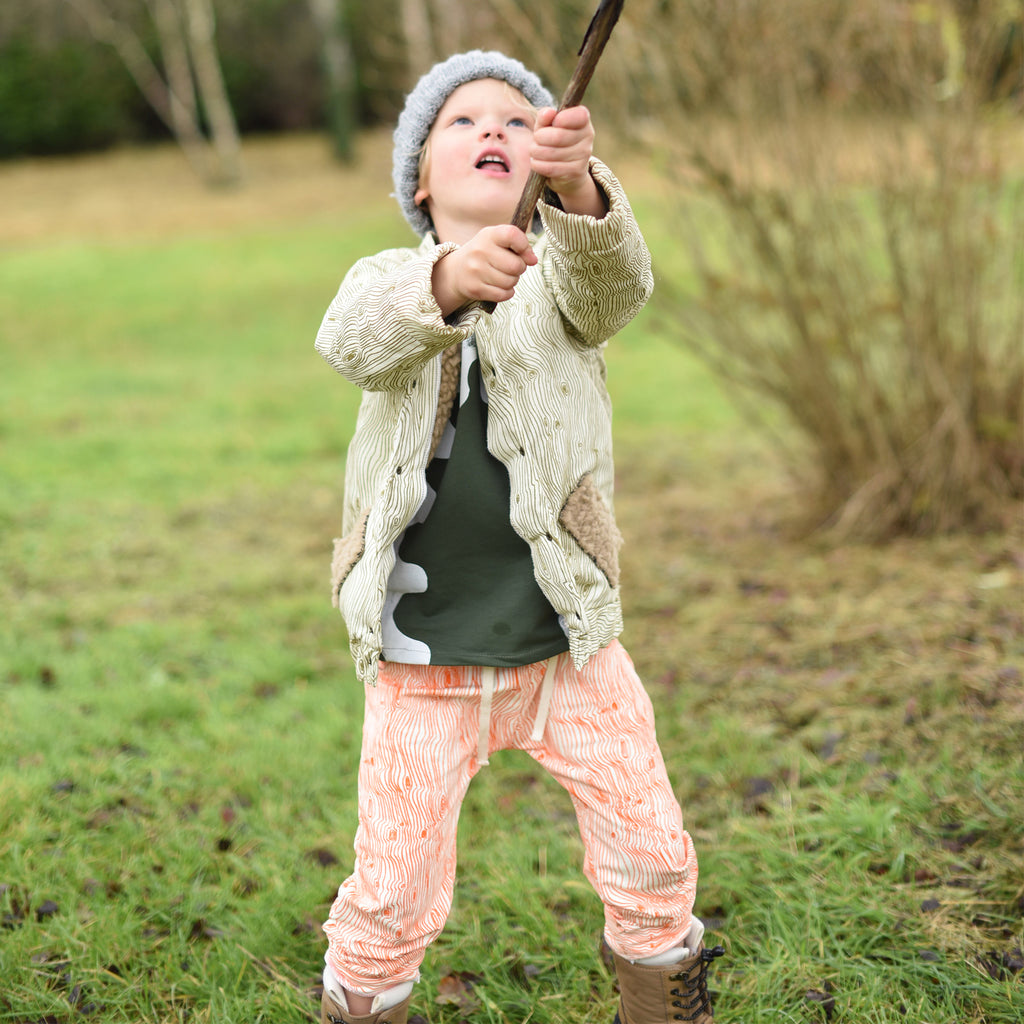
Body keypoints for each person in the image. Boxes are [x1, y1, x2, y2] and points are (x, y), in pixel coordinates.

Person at [313, 50, 723, 1024]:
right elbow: (354, 339)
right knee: (394, 882)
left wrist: (579, 188)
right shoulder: (390, 279)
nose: (491, 129)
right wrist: (448, 281)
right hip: (422, 658)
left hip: (569, 645)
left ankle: (661, 995)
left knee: (649, 847)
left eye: (513, 118)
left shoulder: (564, 287)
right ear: (419, 178)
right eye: (461, 122)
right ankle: (363, 1000)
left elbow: (613, 288)